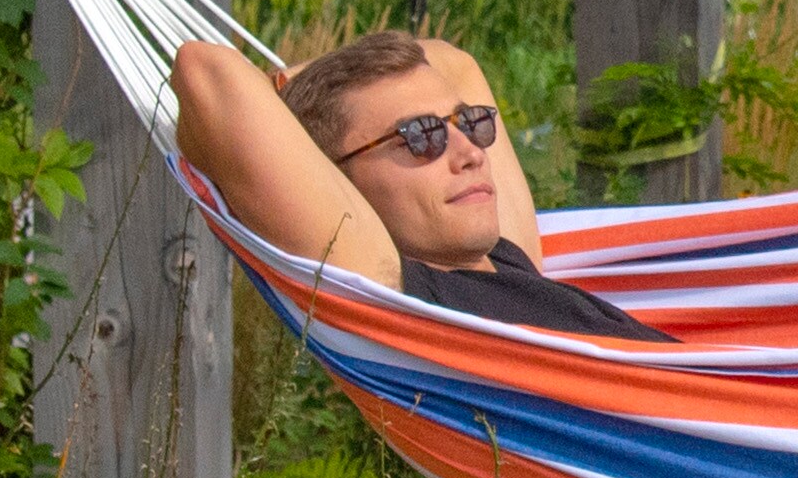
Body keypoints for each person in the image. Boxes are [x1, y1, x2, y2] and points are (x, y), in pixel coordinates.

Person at [170, 30, 666, 339]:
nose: (471, 153)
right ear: (340, 186)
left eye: (469, 122)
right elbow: (204, 74)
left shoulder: (509, 262)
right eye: (420, 136)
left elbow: (452, 63)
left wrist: (302, 86)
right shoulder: (404, 296)